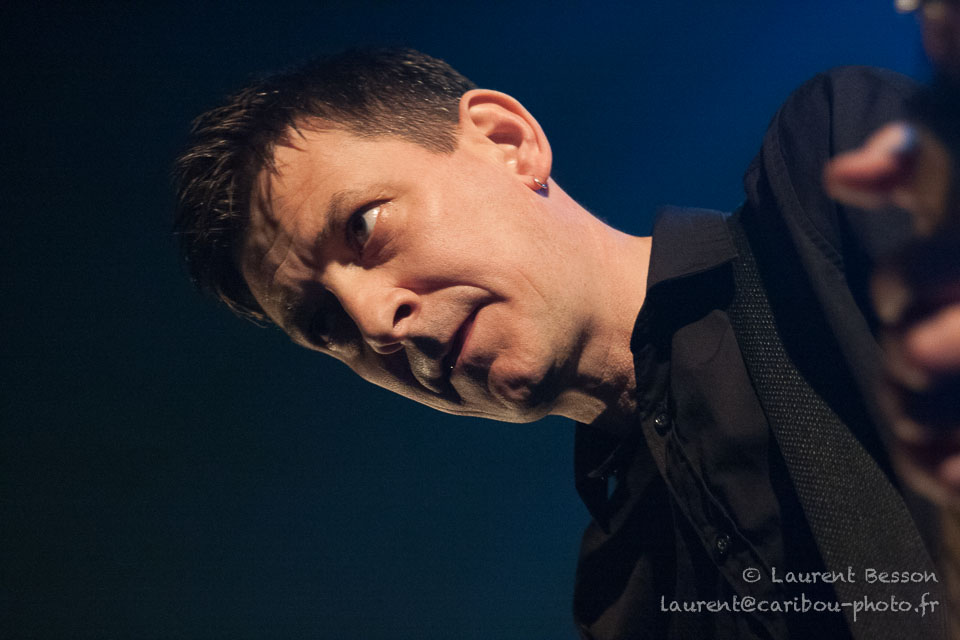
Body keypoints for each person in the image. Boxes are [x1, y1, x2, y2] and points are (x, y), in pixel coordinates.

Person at [173, 37, 956, 640]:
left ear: (508, 141)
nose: (376, 321)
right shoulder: (618, 599)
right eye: (326, 325)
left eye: (364, 225)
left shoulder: (827, 174)